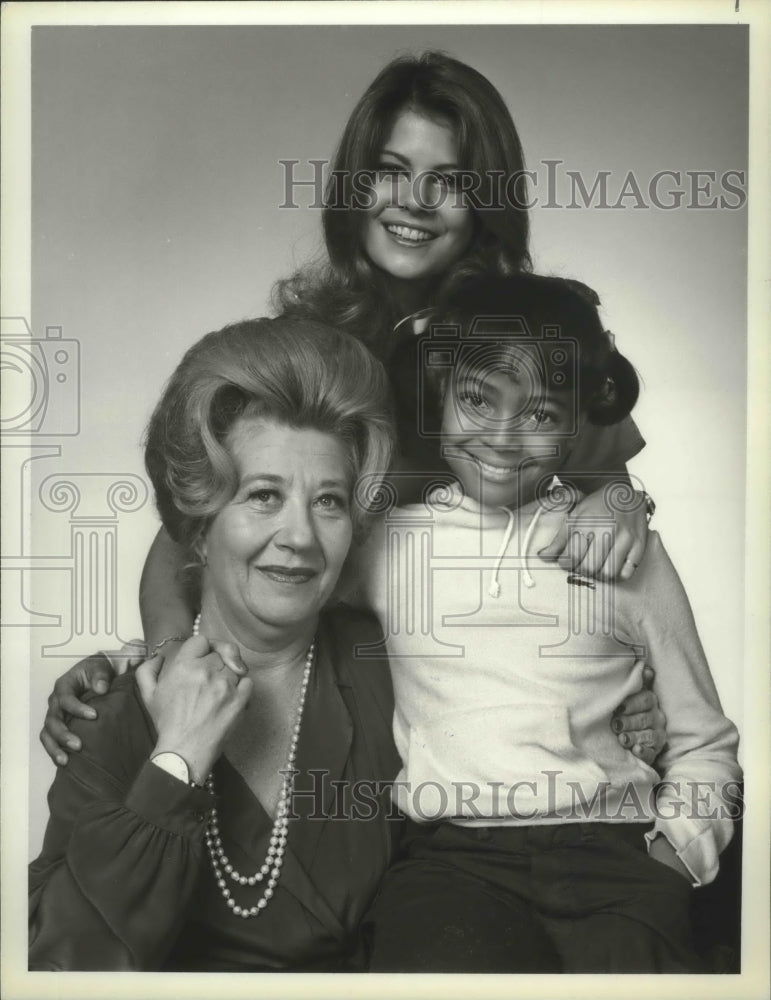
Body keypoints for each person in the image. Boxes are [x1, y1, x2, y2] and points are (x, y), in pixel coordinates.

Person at [40, 51, 663, 763]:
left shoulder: (536, 341)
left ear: (486, 204)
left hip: (503, 725)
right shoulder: (306, 353)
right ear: (353, 186)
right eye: (389, 171)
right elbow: (185, 542)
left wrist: (633, 676)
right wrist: (164, 673)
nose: (414, 202)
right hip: (343, 715)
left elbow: (615, 539)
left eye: (450, 182)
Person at [348, 274, 741, 973]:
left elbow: (702, 738)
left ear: (581, 417)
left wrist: (678, 848)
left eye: (539, 414)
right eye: (475, 401)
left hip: (616, 858)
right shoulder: (383, 544)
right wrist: (145, 656)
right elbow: (263, 592)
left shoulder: (623, 547)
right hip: (452, 860)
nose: (500, 439)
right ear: (437, 395)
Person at [29, 318, 403, 971]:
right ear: (198, 527)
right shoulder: (110, 713)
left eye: (329, 503)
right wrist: (173, 763)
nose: (300, 537)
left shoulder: (395, 671)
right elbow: (68, 966)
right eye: (263, 496)